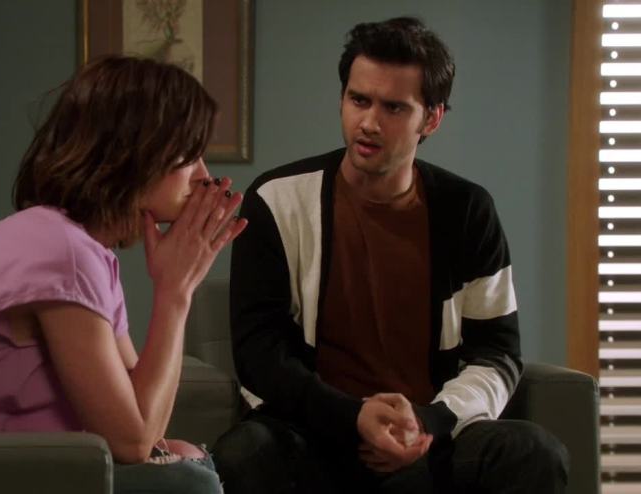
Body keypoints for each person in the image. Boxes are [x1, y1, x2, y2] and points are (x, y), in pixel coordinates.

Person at [0, 55, 247, 494]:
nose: (204, 176)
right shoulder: (61, 252)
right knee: (188, 483)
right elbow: (133, 441)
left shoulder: (82, 250)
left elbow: (143, 420)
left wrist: (177, 286)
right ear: (132, 155)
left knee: (187, 459)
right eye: (188, 156)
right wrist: (175, 294)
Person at [213, 17, 568, 493]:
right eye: (359, 100)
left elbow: (496, 353)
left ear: (432, 119)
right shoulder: (276, 200)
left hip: (428, 437)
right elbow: (258, 352)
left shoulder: (467, 210)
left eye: (394, 107)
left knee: (533, 453)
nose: (369, 122)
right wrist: (352, 416)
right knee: (243, 454)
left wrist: (429, 421)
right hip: (315, 432)